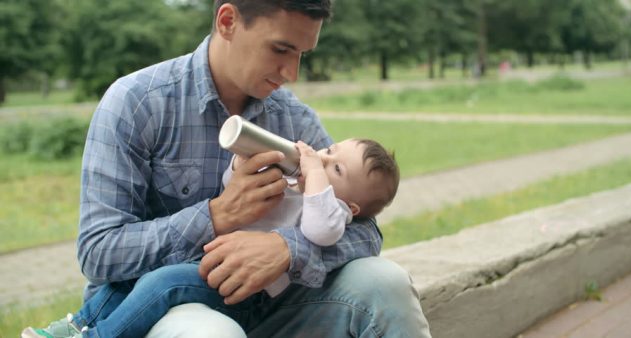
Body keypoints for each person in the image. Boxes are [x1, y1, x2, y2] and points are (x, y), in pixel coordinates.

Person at [33, 0, 431, 336]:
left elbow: (364, 229)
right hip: (165, 307)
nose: (291, 73)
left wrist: (287, 249)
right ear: (228, 22)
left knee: (386, 282)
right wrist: (218, 215)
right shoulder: (137, 103)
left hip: (271, 305)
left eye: (301, 55)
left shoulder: (295, 120)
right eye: (280, 50)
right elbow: (99, 253)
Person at [23, 138, 401, 338]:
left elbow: (322, 230)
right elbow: (229, 189)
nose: (320, 155)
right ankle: (75, 325)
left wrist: (288, 244)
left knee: (161, 283)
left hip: (243, 291)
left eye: (335, 166)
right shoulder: (297, 184)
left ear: (350, 206)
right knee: (134, 277)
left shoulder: (329, 210)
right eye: (329, 151)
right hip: (212, 262)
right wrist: (241, 165)